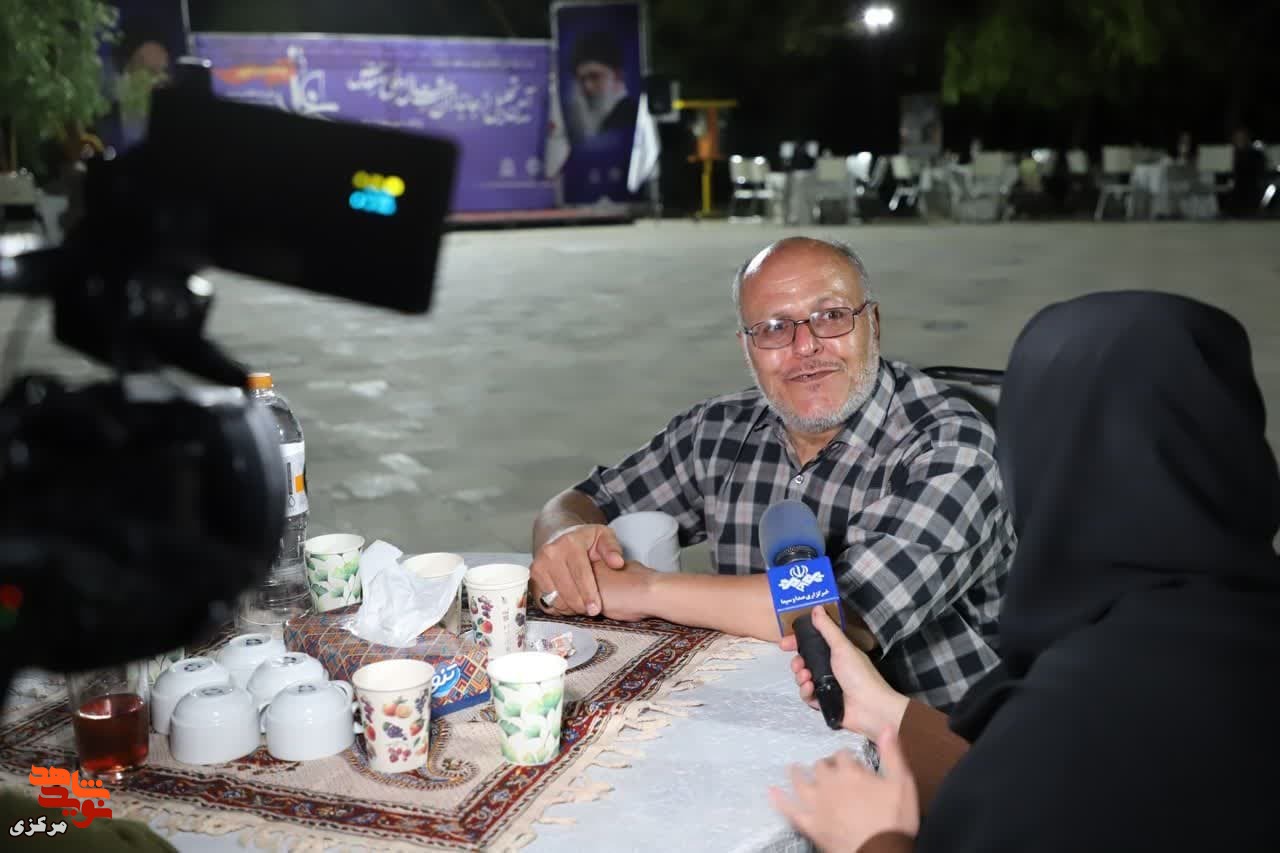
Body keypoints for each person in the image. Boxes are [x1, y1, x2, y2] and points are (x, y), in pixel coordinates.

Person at [771, 290, 1280, 852]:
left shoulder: (1084, 702)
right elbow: (1020, 781)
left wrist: (870, 841)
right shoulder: (1233, 625)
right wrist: (881, 708)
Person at [530, 237, 1015, 710]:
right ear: (748, 348)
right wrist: (566, 543)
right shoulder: (716, 431)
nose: (805, 347)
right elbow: (581, 501)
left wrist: (642, 589)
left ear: (873, 323)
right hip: (761, 710)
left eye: (831, 316)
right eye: (774, 328)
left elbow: (838, 612)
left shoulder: (952, 445)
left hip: (936, 737)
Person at [566, 30, 638, 143]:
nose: (588, 87)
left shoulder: (631, 117)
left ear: (618, 75)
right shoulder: (596, 121)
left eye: (595, 76)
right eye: (582, 79)